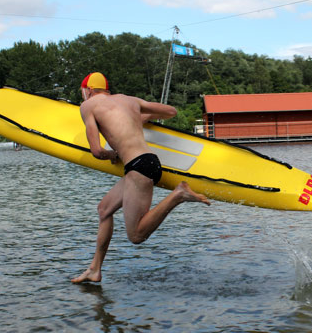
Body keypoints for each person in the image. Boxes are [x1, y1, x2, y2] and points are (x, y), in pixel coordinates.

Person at [72, 72, 211, 284]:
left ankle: (179, 195)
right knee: (104, 210)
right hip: (145, 164)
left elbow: (97, 151)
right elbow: (170, 111)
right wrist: (138, 118)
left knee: (136, 236)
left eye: (83, 92)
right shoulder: (129, 100)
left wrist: (112, 155)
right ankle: (94, 269)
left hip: (139, 168)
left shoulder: (88, 106)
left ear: (87, 90)